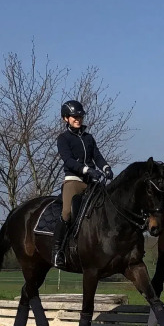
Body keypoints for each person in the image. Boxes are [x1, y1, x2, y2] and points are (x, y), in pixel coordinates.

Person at [53, 100, 112, 267]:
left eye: (80, 116)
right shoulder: (63, 139)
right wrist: (86, 170)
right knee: (66, 213)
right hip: (74, 180)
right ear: (66, 118)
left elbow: (97, 156)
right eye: (74, 116)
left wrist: (106, 167)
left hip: (92, 181)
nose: (78, 119)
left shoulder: (88, 138)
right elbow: (68, 160)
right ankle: (58, 251)